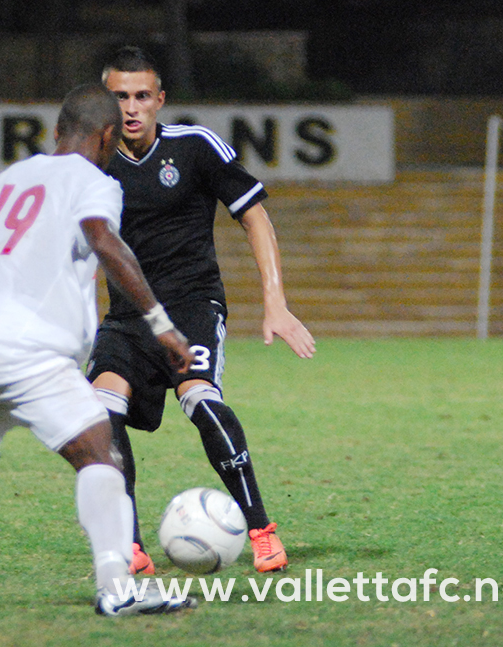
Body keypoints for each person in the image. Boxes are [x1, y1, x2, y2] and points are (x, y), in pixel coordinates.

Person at [0, 84, 198, 616]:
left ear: (55, 133)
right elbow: (104, 241)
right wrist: (161, 323)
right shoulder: (94, 181)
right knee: (101, 455)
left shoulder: (3, 182)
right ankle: (117, 587)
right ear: (107, 136)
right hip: (25, 348)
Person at [86, 47, 317, 575]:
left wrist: (275, 302)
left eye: (142, 96)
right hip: (127, 318)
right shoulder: (92, 164)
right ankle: (130, 544)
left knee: (201, 401)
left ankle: (260, 528)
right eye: (120, 96)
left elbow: (255, 217)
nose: (131, 107)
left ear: (160, 100)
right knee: (101, 414)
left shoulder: (195, 147)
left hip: (192, 307)